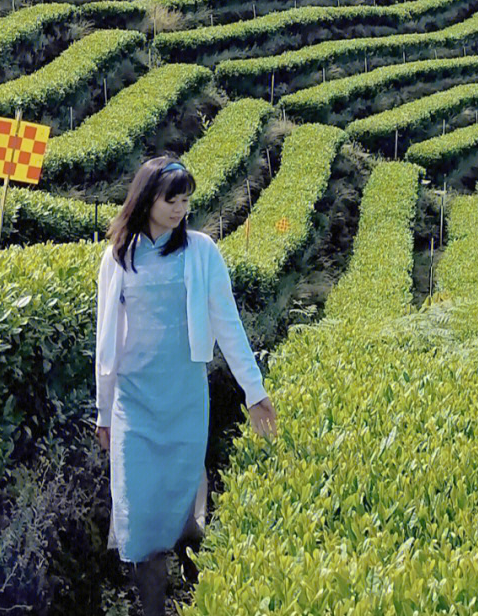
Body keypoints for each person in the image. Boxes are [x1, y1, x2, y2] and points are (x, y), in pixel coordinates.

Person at [95, 155, 278, 615]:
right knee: (136, 509)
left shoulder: (201, 252)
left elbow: (228, 325)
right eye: (170, 199)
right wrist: (102, 411)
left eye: (185, 200)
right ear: (146, 199)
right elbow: (105, 341)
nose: (180, 209)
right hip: (133, 403)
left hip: (183, 400)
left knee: (178, 506)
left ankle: (196, 586)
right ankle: (151, 604)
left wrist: (254, 392)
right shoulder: (119, 256)